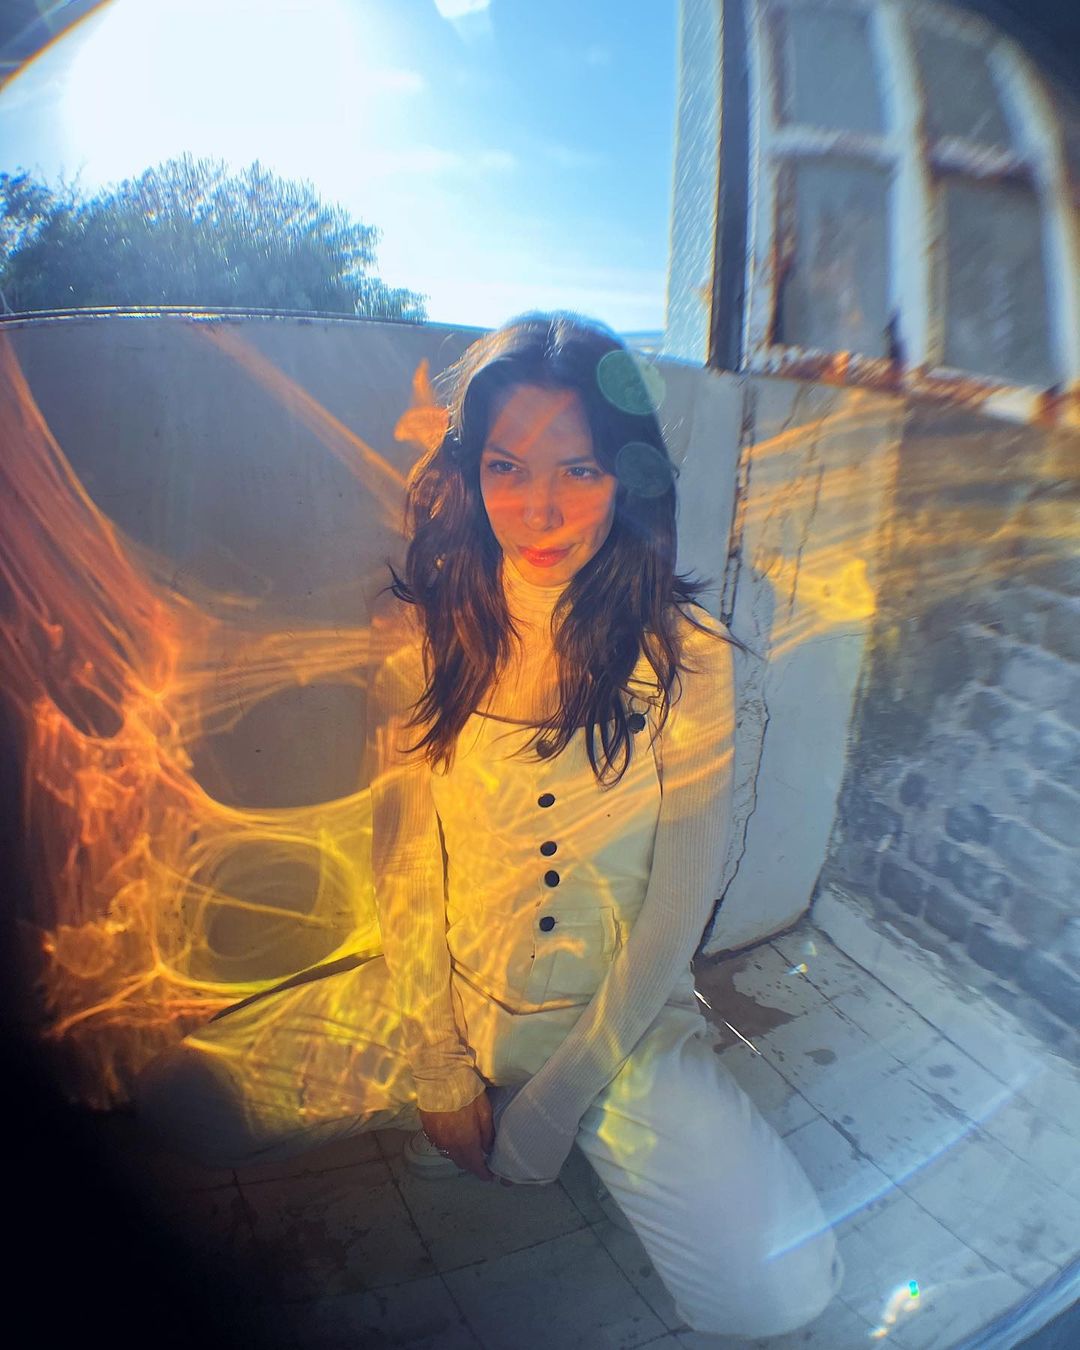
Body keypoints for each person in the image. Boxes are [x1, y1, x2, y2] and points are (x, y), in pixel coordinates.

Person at [138, 313, 842, 1338]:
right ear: (471, 475)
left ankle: (544, 1112)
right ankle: (452, 1108)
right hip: (448, 996)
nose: (538, 508)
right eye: (507, 467)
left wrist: (557, 1106)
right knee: (183, 1105)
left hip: (621, 1024)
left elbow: (678, 903)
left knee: (779, 1295)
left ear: (628, 478)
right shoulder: (423, 632)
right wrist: (438, 1064)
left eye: (580, 470)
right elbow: (405, 864)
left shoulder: (686, 653)